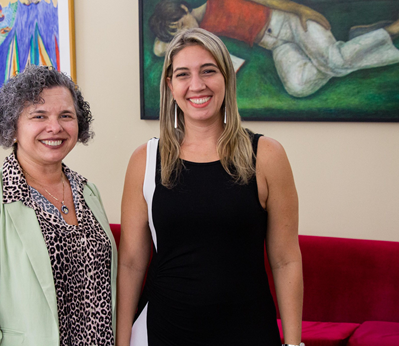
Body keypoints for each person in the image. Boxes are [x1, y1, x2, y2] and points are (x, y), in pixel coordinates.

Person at [117, 28, 303, 345]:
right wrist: (121, 342)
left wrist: (293, 342)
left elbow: (285, 260)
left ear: (227, 77)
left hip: (249, 332)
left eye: (208, 71)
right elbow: (132, 263)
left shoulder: (267, 155)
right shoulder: (145, 160)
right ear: (170, 86)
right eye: (183, 74)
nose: (197, 85)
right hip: (164, 331)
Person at [0, 65, 117, 346]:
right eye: (39, 116)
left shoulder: (88, 192)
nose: (55, 127)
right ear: (12, 125)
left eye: (66, 116)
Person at [149, 0, 399, 97]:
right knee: (298, 86)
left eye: (181, 24)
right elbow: (160, 48)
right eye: (177, 32)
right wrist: (175, 33)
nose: (184, 31)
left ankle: (390, 31)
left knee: (334, 61)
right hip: (276, 43)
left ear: (184, 8)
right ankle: (359, 40)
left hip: (290, 22)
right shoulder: (202, 32)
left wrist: (302, 10)